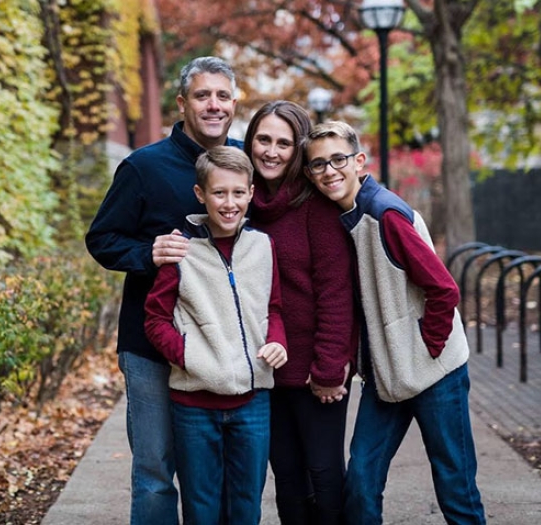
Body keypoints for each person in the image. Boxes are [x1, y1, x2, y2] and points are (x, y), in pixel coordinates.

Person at [304, 120, 486, 525]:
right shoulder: (343, 218)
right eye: (318, 165)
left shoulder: (385, 215)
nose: (329, 171)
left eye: (338, 159)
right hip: (388, 379)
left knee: (455, 485)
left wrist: (426, 347)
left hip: (435, 372)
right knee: (362, 482)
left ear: (359, 161)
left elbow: (444, 290)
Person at [85, 56, 241, 525]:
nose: (213, 105)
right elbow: (102, 239)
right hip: (150, 347)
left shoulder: (241, 164)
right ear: (182, 103)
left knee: (213, 473)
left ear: (234, 103)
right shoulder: (142, 167)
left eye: (222, 96)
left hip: (221, 347)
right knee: (154, 470)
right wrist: (146, 253)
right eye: (202, 95)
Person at [144, 146, 288, 525]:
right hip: (193, 405)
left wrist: (277, 341)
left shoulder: (263, 246)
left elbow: (273, 308)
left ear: (251, 194)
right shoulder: (180, 250)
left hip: (253, 401)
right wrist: (191, 357)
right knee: (201, 508)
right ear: (200, 195)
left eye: (238, 193)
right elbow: (155, 320)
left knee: (247, 506)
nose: (229, 203)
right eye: (219, 193)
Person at [244, 101, 357, 524]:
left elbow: (335, 292)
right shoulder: (245, 203)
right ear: (250, 141)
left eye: (285, 144)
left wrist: (329, 369)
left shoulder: (316, 207)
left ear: (299, 151)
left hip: (314, 372)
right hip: (266, 370)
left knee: (325, 478)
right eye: (264, 140)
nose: (272, 151)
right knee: (287, 481)